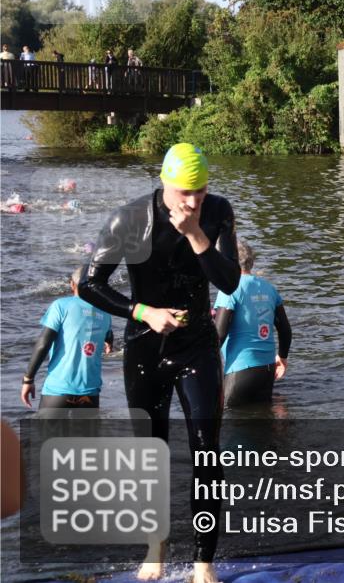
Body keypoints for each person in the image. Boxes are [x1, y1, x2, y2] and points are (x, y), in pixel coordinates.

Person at [78, 142, 238, 583]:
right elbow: (90, 284)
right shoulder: (128, 219)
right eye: (184, 193)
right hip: (145, 348)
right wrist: (141, 311)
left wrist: (194, 232)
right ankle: (156, 548)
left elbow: (230, 279)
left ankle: (204, 562)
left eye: (200, 192)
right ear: (164, 183)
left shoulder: (218, 211)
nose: (192, 202)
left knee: (207, 451)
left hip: (198, 346)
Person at [21, 267, 113, 411]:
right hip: (90, 394)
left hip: (58, 391)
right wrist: (108, 342)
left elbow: (43, 344)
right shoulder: (106, 313)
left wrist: (28, 379)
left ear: (72, 284)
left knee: (46, 434)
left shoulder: (61, 306)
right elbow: (108, 334)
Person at [214, 241, 291, 407]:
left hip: (240, 371)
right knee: (262, 427)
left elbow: (219, 334)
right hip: (267, 371)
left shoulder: (229, 289)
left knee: (230, 425)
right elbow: (285, 329)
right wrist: (282, 358)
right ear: (251, 262)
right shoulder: (269, 288)